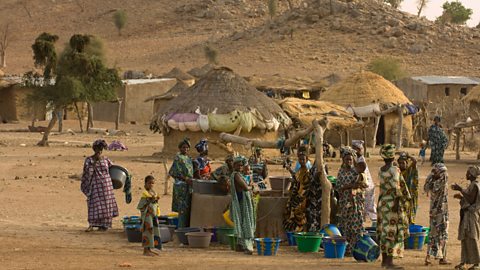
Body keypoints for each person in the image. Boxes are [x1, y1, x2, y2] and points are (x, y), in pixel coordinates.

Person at [377, 144, 410, 269]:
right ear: (392, 156)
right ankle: (389, 262)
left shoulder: (381, 170)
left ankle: (384, 261)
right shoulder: (394, 169)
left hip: (382, 203)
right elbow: (396, 188)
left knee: (384, 232)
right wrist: (397, 203)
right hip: (392, 204)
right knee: (391, 232)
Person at [80, 139, 119, 232]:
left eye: (101, 149)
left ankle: (104, 225)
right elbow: (87, 173)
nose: (100, 151)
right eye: (98, 149)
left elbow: (113, 170)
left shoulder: (106, 159)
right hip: (95, 185)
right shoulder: (89, 160)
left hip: (106, 186)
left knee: (106, 205)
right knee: (94, 204)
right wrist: (94, 163)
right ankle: (92, 224)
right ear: (94, 149)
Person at [335, 146, 366, 256]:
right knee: (346, 225)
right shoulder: (341, 172)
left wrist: (352, 187)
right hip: (345, 203)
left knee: (356, 226)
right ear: (343, 160)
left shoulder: (357, 172)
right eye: (347, 159)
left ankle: (356, 249)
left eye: (350, 159)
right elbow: (338, 187)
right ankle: (347, 249)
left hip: (356, 203)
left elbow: (363, 185)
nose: (349, 161)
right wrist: (349, 186)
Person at [283, 149, 322, 232]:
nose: (301, 161)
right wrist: (289, 169)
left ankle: (299, 234)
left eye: (303, 159)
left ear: (306, 160)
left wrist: (298, 198)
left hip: (301, 200)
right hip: (295, 197)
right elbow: (296, 179)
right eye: (300, 159)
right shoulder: (300, 170)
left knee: (299, 217)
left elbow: (306, 187)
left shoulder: (307, 173)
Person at [452, 166, 480, 270]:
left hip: (472, 215)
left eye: (468, 173)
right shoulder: (472, 185)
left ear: (471, 174)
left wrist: (460, 189)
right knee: (464, 238)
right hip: (466, 214)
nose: (466, 174)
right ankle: (463, 262)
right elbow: (469, 198)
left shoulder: (475, 185)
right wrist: (461, 197)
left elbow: (472, 200)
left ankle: (477, 263)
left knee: (472, 237)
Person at [424, 163, 450, 266]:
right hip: (441, 212)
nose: (445, 174)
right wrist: (434, 175)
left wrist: (432, 175)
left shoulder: (432, 182)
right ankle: (441, 258)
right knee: (442, 234)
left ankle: (430, 257)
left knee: (434, 234)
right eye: (442, 172)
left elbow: (426, 187)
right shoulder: (441, 182)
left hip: (434, 212)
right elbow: (443, 179)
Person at [230, 156, 256, 255]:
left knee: (242, 223)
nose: (240, 167)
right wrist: (251, 187)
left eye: (241, 165)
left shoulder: (239, 174)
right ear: (234, 166)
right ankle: (248, 246)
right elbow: (245, 188)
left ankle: (239, 245)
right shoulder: (236, 175)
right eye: (238, 165)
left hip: (242, 202)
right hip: (242, 203)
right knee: (246, 223)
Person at [168, 138, 194, 228]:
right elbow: (174, 172)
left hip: (189, 185)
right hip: (181, 186)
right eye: (183, 147)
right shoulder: (178, 158)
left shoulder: (189, 158)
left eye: (187, 148)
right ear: (180, 148)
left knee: (188, 208)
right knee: (182, 208)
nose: (185, 149)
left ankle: (186, 228)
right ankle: (181, 229)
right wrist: (186, 179)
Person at [352, 140, 377, 225]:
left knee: (370, 207)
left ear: (358, 149)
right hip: (364, 186)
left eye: (354, 148)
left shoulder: (361, 160)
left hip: (367, 186)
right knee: (364, 206)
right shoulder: (357, 159)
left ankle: (374, 225)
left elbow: (361, 174)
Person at [137, 175, 162, 256]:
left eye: (152, 183)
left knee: (152, 232)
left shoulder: (153, 192)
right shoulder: (145, 193)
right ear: (145, 184)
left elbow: (155, 202)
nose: (151, 185)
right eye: (149, 183)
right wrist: (150, 200)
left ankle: (150, 249)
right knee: (147, 232)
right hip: (147, 216)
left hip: (152, 215)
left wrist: (155, 199)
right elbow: (141, 205)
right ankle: (145, 250)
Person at [397, 152, 419, 224]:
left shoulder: (409, 170)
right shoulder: (397, 172)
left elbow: (415, 161)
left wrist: (408, 155)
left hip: (411, 195)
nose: (401, 165)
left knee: (410, 215)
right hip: (401, 196)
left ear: (407, 163)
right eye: (399, 163)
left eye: (403, 163)